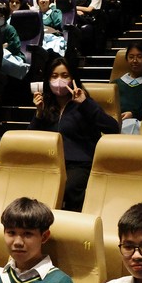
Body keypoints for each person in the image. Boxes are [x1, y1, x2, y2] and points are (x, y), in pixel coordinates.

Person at [29, 57, 119, 211]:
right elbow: (30, 138)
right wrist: (39, 113)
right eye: (54, 76)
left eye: (65, 76)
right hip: (51, 161)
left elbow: (113, 128)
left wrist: (85, 103)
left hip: (80, 164)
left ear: (73, 79)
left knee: (70, 188)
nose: (59, 80)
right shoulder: (46, 105)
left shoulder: (85, 103)